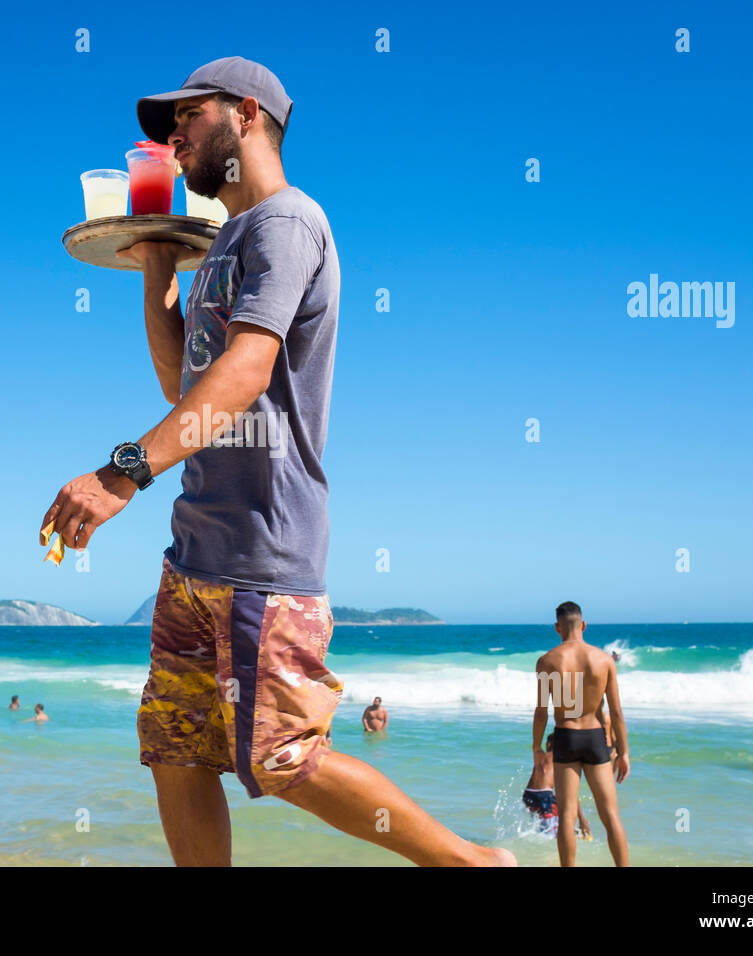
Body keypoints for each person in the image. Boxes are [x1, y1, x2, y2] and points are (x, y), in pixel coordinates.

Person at [40, 56, 512, 867]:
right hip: (194, 551)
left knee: (280, 756)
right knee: (178, 750)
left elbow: (246, 371)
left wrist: (121, 473)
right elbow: (183, 381)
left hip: (263, 553)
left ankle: (476, 864)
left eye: (189, 116)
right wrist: (157, 262)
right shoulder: (226, 241)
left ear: (248, 114)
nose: (172, 134)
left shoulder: (287, 223)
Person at [534, 601, 630, 866]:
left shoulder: (547, 661)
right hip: (596, 738)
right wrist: (624, 753)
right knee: (610, 815)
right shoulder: (604, 660)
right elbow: (617, 712)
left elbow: (542, 711)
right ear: (584, 625)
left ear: (557, 627)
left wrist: (537, 748)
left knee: (566, 815)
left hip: (566, 737)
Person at [524, 734, 592, 839]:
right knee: (550, 835)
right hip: (544, 795)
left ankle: (571, 835)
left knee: (548, 827)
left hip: (529, 795)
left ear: (549, 744)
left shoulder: (541, 756)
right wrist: (582, 819)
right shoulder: (561, 759)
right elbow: (571, 792)